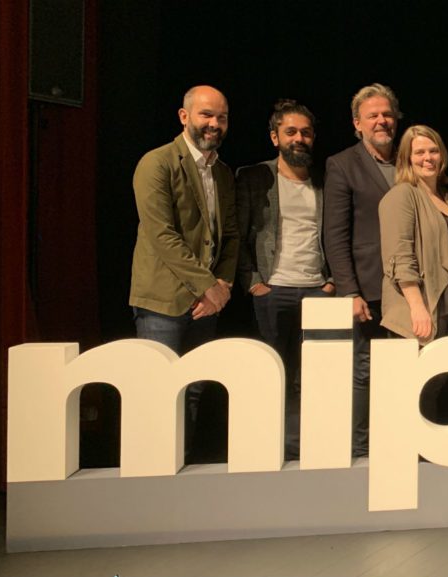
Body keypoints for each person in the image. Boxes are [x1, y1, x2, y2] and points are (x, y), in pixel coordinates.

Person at [129, 85, 238, 460]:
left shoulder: (222, 172)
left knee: (193, 390)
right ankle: (151, 472)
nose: (214, 124)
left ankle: (180, 467)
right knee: (158, 391)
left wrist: (223, 284)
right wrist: (209, 287)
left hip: (207, 302)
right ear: (184, 116)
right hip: (163, 301)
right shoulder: (157, 163)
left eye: (222, 117)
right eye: (206, 115)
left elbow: (231, 235)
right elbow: (162, 235)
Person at [235, 99, 334, 460]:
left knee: (315, 375)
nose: (299, 138)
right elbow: (238, 234)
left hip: (317, 289)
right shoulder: (253, 177)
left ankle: (309, 448)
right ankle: (270, 449)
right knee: (273, 372)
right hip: (272, 289)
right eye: (290, 132)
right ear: (275, 137)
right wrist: (253, 282)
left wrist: (331, 281)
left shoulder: (326, 180)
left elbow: (339, 233)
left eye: (305, 132)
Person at [379, 125, 448, 419]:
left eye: (433, 150)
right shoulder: (402, 195)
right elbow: (399, 256)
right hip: (420, 309)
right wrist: (417, 307)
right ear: (407, 159)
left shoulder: (447, 198)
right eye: (419, 152)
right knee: (415, 390)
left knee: (440, 386)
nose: (428, 158)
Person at [323, 83, 401, 457]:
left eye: (387, 114)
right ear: (357, 123)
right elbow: (335, 235)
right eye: (373, 116)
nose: (381, 121)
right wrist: (349, 291)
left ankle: (397, 443)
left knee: (404, 369)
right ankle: (361, 447)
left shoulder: (411, 158)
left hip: (409, 287)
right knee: (366, 369)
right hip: (369, 287)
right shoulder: (342, 164)